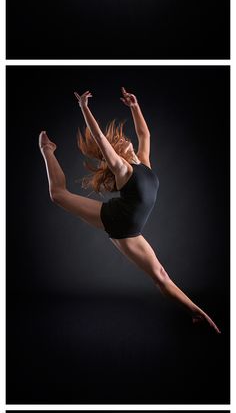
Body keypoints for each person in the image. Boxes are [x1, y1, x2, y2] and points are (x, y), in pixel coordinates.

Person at [39, 86, 220, 332]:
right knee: (58, 195)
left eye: (124, 139)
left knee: (161, 276)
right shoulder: (124, 170)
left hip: (129, 226)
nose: (124, 140)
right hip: (119, 223)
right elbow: (102, 141)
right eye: (119, 143)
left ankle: (195, 311)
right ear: (118, 154)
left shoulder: (143, 162)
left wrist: (135, 107)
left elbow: (144, 134)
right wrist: (84, 108)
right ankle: (47, 150)